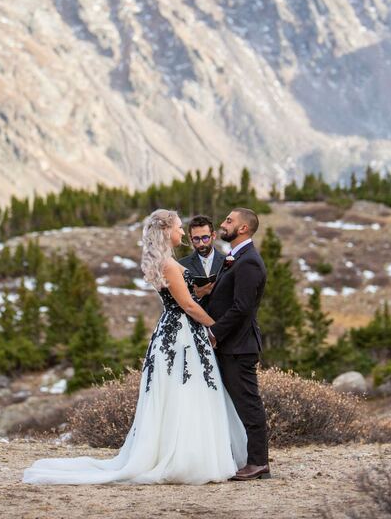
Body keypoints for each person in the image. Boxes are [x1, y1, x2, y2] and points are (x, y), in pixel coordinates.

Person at [22, 209, 247, 486]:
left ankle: (188, 451)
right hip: (181, 335)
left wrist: (204, 291)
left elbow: (185, 296)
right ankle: (185, 457)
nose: (181, 233)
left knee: (185, 391)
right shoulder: (167, 264)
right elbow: (187, 306)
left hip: (175, 331)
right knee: (187, 391)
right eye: (178, 228)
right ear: (166, 231)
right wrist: (218, 328)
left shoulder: (165, 262)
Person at [206, 207, 270, 481]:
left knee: (248, 403)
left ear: (243, 228)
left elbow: (242, 307)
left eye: (229, 221)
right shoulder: (236, 258)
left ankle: (258, 462)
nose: (223, 223)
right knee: (235, 404)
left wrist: (214, 332)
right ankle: (241, 456)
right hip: (230, 345)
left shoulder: (250, 262)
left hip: (239, 347)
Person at [178, 215, 225, 302]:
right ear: (190, 238)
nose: (201, 243)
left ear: (213, 235)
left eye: (205, 238)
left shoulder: (227, 262)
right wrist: (196, 295)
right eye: (196, 239)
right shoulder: (181, 265)